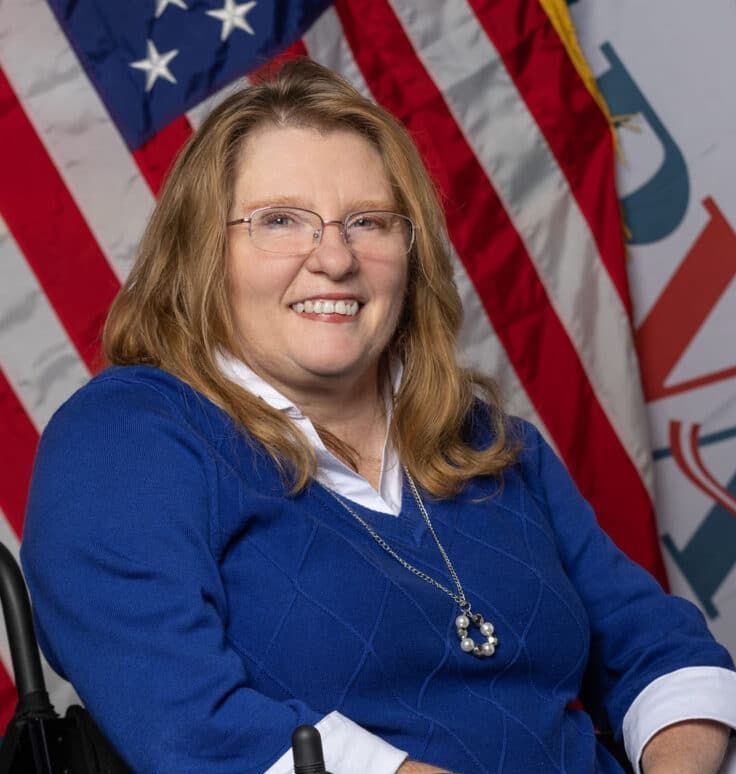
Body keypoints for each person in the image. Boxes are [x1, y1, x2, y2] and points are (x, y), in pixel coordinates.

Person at [20, 58, 736, 774]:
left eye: (368, 221)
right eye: (280, 220)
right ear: (199, 253)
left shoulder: (488, 441)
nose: (335, 258)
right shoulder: (126, 438)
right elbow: (190, 727)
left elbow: (659, 647)